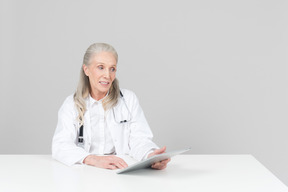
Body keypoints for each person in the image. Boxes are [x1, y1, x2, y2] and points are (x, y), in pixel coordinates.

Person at [52, 43, 170, 170]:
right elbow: (60, 145)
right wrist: (93, 159)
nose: (107, 75)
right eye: (101, 67)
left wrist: (150, 156)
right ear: (86, 70)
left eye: (112, 69)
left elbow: (139, 139)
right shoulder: (71, 104)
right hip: (86, 171)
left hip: (120, 170)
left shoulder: (128, 99)